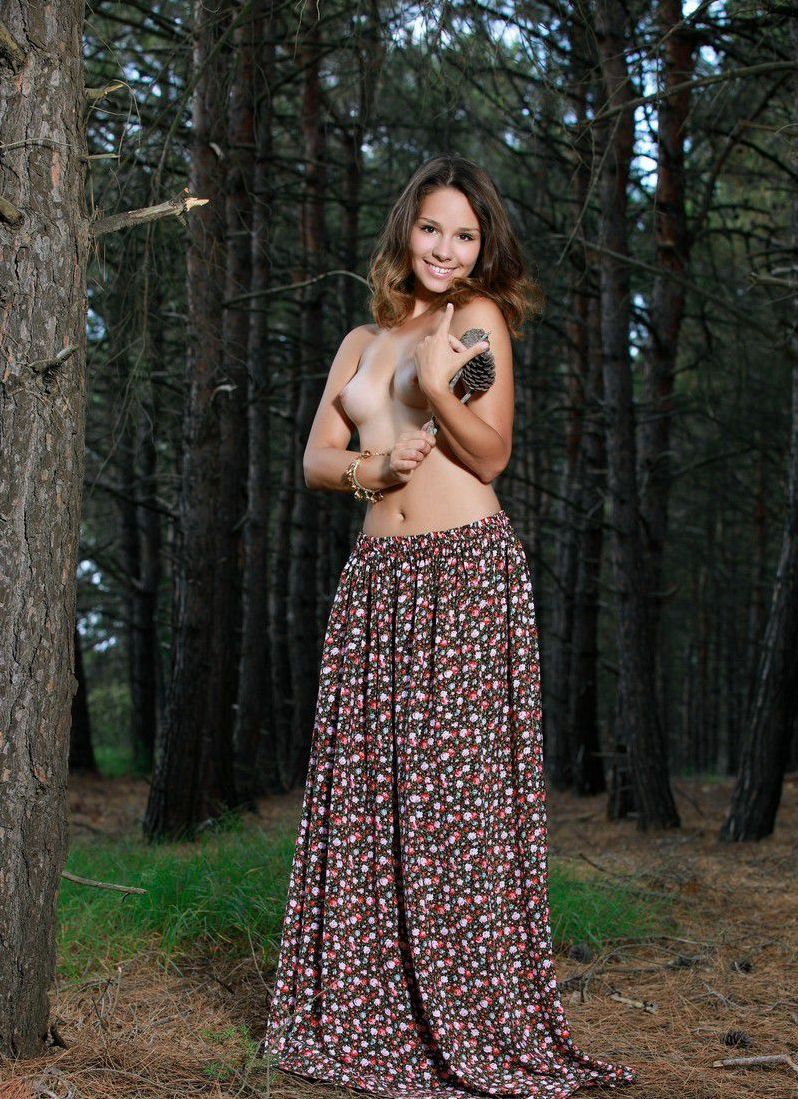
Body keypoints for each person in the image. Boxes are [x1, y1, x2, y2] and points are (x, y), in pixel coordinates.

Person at [258, 155, 637, 1098]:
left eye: (465, 235)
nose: (446, 248)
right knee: (371, 793)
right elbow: (315, 455)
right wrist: (368, 473)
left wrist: (436, 384)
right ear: (406, 231)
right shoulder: (359, 338)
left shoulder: (480, 324)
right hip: (377, 581)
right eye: (434, 229)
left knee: (454, 800)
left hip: (464, 575)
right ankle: (368, 1001)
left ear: (483, 247)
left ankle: (466, 1005)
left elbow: (494, 452)